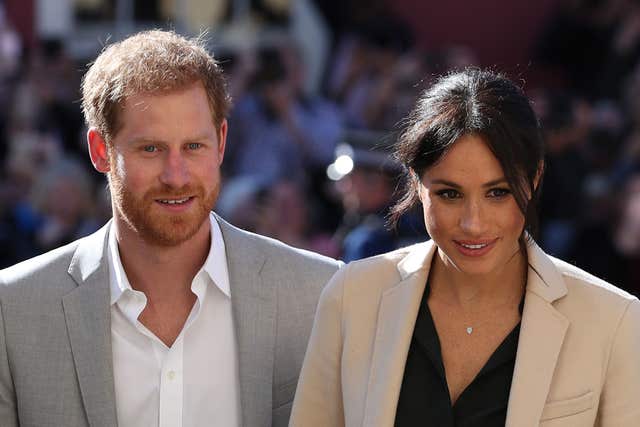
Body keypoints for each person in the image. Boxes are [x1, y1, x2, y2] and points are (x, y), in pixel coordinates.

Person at [0, 30, 341, 427]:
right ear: (99, 151)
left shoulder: (318, 295)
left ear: (221, 142)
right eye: (151, 149)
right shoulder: (15, 311)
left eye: (194, 146)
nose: (176, 176)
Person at [290, 69, 640, 426]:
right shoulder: (352, 296)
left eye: (497, 193)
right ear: (416, 181)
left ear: (534, 178)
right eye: (450, 194)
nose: (474, 223)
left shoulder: (611, 319)